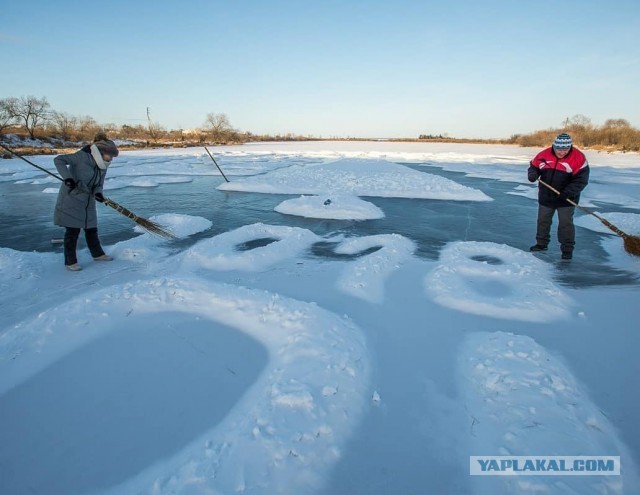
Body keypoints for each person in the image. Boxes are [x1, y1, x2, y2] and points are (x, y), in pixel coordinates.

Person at [54, 132, 119, 271]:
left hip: (88, 200)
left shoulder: (103, 165)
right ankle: (70, 262)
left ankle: (98, 254)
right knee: (72, 231)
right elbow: (59, 160)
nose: (111, 159)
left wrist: (98, 194)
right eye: (110, 155)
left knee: (91, 229)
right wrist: (68, 178)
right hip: (72, 198)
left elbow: (99, 183)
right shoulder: (81, 157)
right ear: (101, 152)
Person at [527, 132, 589, 260]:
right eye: (559, 149)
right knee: (543, 221)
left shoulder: (578, 158)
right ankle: (541, 244)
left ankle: (567, 249)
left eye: (565, 149)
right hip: (546, 196)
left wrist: (567, 192)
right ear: (554, 147)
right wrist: (533, 174)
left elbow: (581, 180)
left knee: (565, 224)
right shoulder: (544, 154)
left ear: (569, 147)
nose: (562, 152)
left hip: (566, 199)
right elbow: (533, 166)